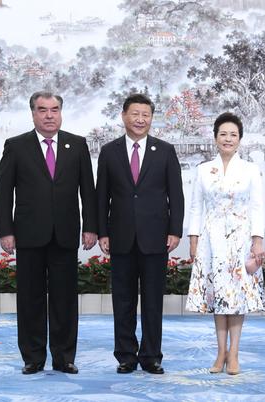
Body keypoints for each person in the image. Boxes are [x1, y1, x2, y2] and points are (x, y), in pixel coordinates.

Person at [0, 91, 97, 375]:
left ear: (61, 113)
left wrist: (90, 226)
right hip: (28, 234)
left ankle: (64, 357)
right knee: (31, 298)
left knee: (65, 298)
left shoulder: (76, 145)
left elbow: (88, 190)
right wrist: (6, 230)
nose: (49, 115)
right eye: (43, 110)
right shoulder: (16, 146)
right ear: (33, 113)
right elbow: (4, 192)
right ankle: (33, 357)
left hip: (65, 234)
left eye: (54, 110)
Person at [97, 93, 184, 375]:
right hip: (120, 236)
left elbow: (176, 195)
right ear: (124, 116)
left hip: (156, 237)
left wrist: (175, 230)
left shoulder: (166, 150)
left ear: (151, 118)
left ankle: (151, 356)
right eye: (135, 114)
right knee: (122, 300)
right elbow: (102, 197)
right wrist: (102, 231)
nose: (140, 119)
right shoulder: (109, 152)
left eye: (145, 114)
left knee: (152, 300)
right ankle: (125, 355)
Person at [185, 112, 265, 375]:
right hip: (212, 240)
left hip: (241, 240)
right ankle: (220, 354)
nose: (228, 139)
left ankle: (234, 354)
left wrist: (257, 241)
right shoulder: (203, 170)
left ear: (240, 139)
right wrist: (194, 240)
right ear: (215, 138)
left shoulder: (250, 169)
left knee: (237, 297)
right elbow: (196, 208)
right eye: (223, 134)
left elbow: (257, 208)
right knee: (218, 297)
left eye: (233, 134)